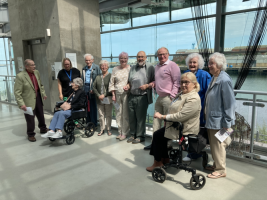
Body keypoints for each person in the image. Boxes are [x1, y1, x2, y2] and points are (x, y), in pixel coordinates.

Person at [146, 72, 201, 172]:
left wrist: (163, 116)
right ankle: (165, 159)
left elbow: (181, 116)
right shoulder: (182, 94)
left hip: (185, 129)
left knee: (158, 136)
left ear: (194, 84)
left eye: (186, 82)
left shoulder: (193, 98)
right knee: (159, 135)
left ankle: (158, 162)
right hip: (176, 126)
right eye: (182, 82)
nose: (183, 85)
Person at [205, 52, 235, 179]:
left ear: (219, 65)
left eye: (212, 63)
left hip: (219, 121)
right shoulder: (215, 77)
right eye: (209, 63)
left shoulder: (224, 80)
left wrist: (227, 123)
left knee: (219, 144)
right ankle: (216, 164)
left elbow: (229, 104)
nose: (209, 65)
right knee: (214, 144)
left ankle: (221, 170)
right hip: (212, 119)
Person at [144, 47, 181, 150]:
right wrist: (152, 84)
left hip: (168, 98)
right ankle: (154, 143)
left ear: (168, 54)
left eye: (164, 54)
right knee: (155, 121)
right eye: (159, 54)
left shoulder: (173, 66)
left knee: (168, 122)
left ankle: (167, 145)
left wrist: (172, 97)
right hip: (159, 98)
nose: (162, 56)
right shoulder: (157, 67)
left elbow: (177, 83)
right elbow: (159, 81)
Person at [182, 53, 212, 161]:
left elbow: (209, 93)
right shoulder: (185, 74)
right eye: (190, 62)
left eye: (194, 62)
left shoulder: (205, 75)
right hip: (187, 106)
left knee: (196, 131)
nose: (192, 64)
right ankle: (192, 152)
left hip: (199, 108)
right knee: (188, 130)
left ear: (199, 64)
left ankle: (194, 154)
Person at [123, 51, 155, 144]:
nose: (140, 58)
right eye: (138, 57)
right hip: (132, 95)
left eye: (142, 57)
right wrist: (127, 86)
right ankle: (133, 134)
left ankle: (140, 136)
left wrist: (147, 86)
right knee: (132, 117)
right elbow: (129, 82)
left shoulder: (150, 67)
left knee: (140, 118)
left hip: (142, 96)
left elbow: (154, 81)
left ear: (145, 57)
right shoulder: (132, 68)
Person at [14, 59, 48, 142]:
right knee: (30, 118)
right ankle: (31, 134)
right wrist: (21, 104)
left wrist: (43, 93)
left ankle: (43, 128)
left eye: (34, 64)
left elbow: (40, 85)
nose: (34, 66)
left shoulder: (36, 72)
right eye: (32, 65)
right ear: (26, 66)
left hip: (38, 97)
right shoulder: (20, 76)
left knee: (41, 115)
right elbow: (17, 92)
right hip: (28, 100)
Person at [109, 52, 130, 141]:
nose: (123, 60)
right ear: (119, 59)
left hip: (126, 94)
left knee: (125, 114)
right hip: (117, 95)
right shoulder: (114, 69)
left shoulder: (130, 68)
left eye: (125, 58)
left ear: (127, 59)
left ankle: (125, 132)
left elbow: (132, 81)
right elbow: (111, 82)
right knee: (118, 113)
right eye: (121, 58)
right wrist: (113, 94)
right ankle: (120, 131)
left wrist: (128, 85)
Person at [93, 60, 113, 136]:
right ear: (100, 67)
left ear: (108, 67)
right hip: (99, 99)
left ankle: (108, 129)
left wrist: (104, 95)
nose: (104, 67)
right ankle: (102, 129)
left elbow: (111, 87)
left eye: (105, 65)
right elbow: (94, 87)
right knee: (101, 115)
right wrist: (98, 95)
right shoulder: (98, 77)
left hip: (107, 98)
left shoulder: (110, 76)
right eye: (102, 65)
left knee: (108, 115)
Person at [81, 54, 101, 127]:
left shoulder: (97, 68)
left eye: (89, 60)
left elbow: (99, 80)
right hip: (85, 88)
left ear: (92, 60)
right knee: (86, 107)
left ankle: (94, 124)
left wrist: (94, 89)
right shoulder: (84, 68)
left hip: (93, 89)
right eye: (86, 60)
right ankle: (88, 123)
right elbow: (82, 79)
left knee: (92, 107)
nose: (88, 61)